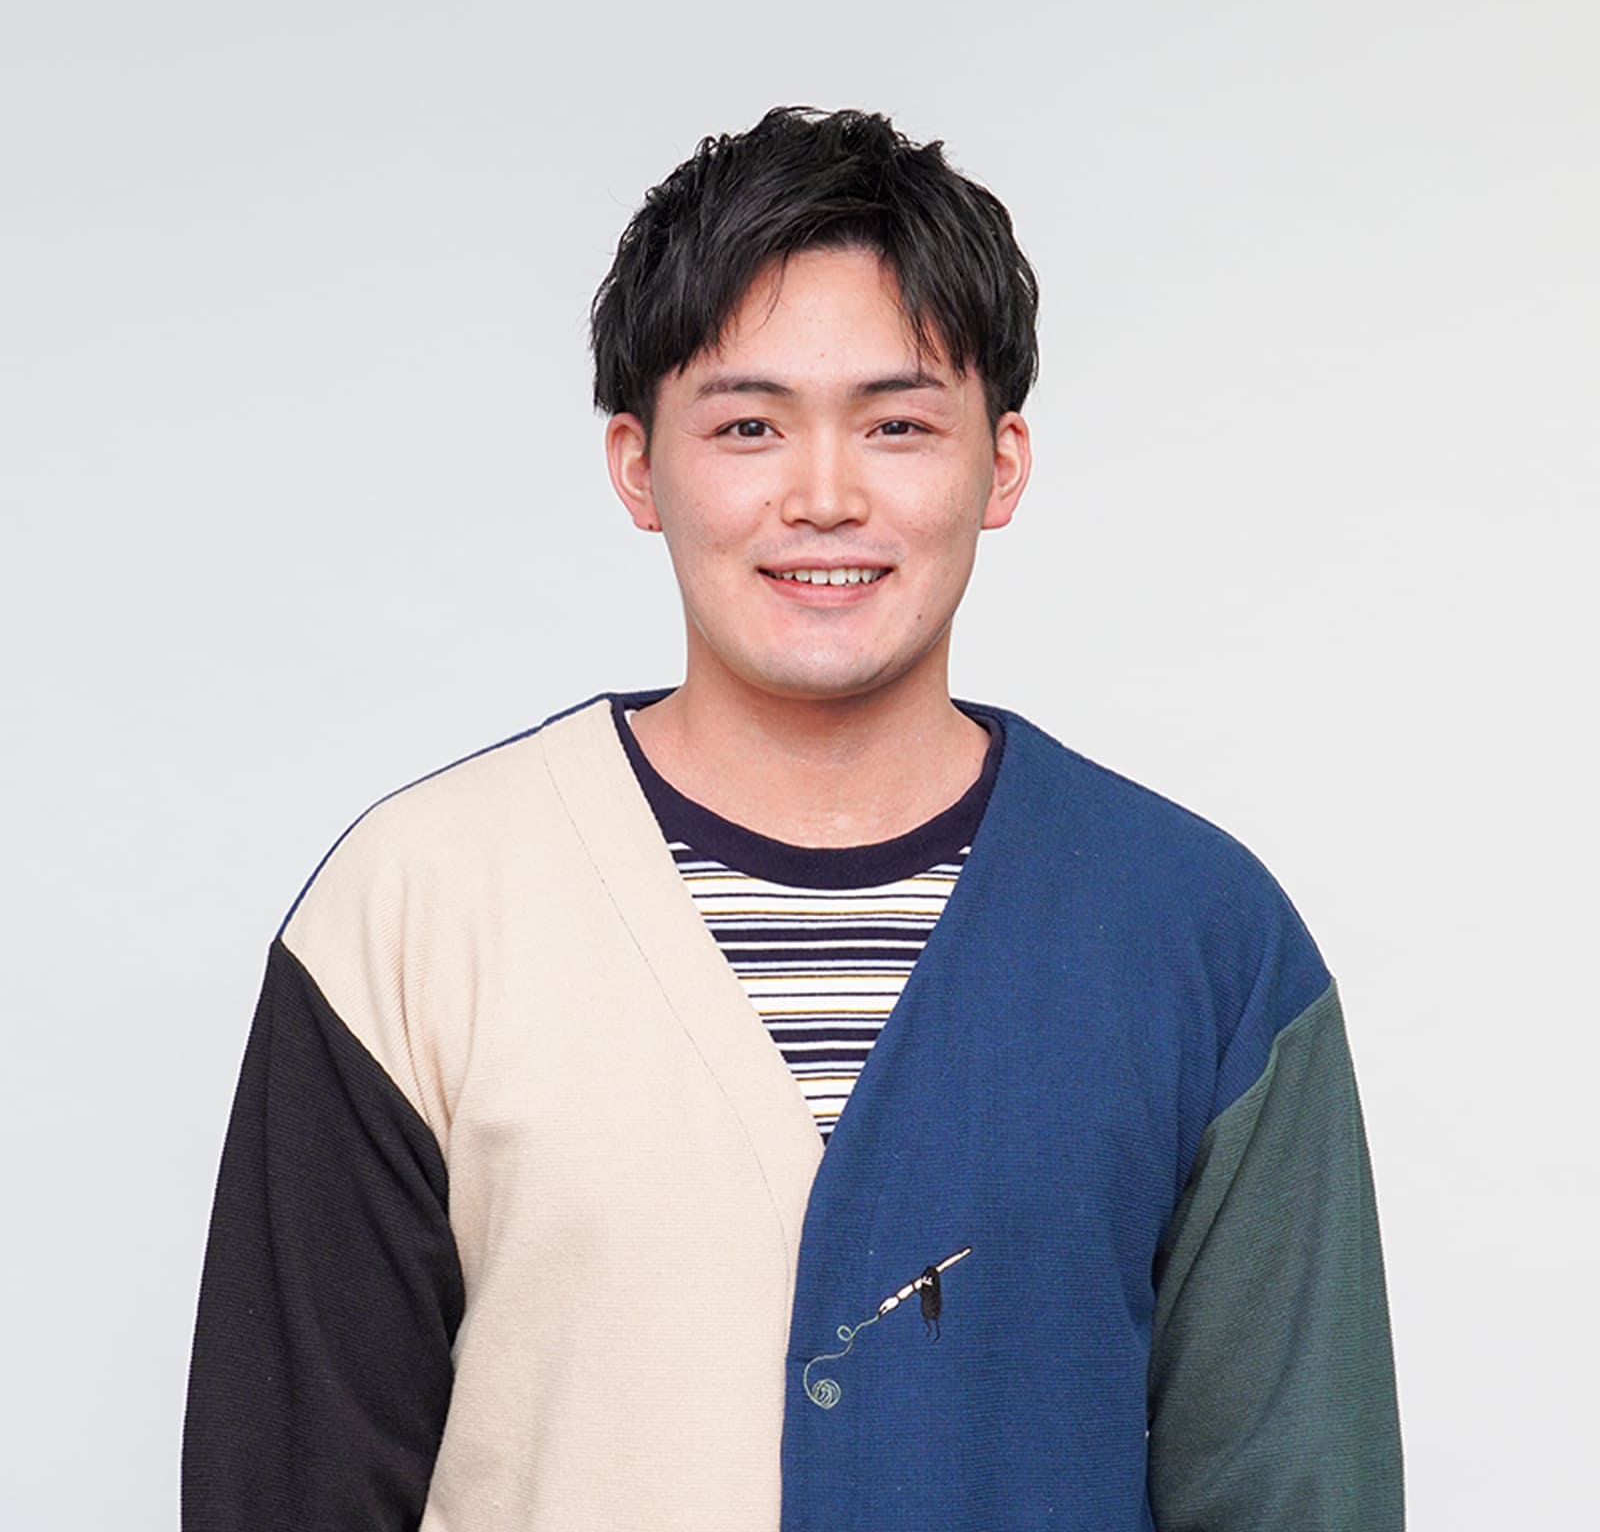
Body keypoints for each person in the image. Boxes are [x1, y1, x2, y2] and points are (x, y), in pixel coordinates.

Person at [182, 106, 1403, 1530]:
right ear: (637, 465)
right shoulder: (419, 910)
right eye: (748, 426)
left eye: (898, 425)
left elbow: (1298, 1490)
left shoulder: (1200, 935)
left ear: (1002, 465)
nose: (824, 497)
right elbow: (288, 1488)